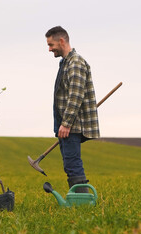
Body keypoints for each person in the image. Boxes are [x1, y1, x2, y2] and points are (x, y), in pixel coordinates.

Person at [45, 26, 100, 193]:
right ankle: (79, 198)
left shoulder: (75, 63)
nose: (49, 49)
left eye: (51, 44)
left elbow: (75, 95)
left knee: (73, 163)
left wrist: (66, 123)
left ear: (61, 41)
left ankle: (82, 201)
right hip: (66, 124)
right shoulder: (65, 62)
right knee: (70, 163)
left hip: (73, 125)